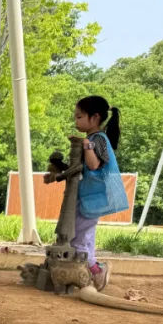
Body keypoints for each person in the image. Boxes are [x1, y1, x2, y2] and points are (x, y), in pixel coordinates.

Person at [43, 95, 128, 291]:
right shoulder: (93, 139)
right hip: (87, 197)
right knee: (85, 236)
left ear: (95, 117)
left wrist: (85, 145)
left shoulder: (98, 139)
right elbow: (76, 169)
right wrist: (56, 174)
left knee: (76, 238)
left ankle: (96, 272)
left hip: (92, 198)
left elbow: (93, 164)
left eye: (79, 117)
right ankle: (93, 271)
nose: (76, 121)